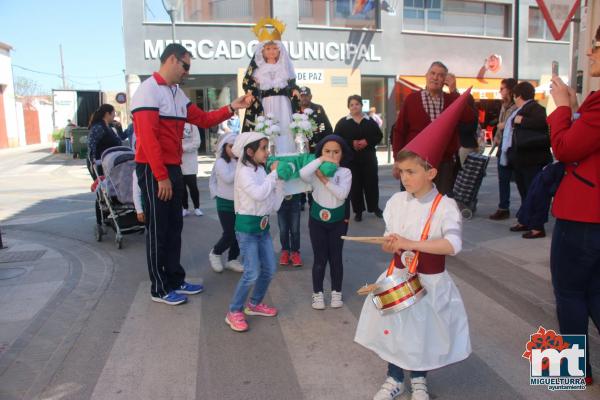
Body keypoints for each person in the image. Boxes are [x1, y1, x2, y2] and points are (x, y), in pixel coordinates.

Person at [355, 91, 472, 400]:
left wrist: (410, 243)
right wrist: (390, 245)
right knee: (394, 330)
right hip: (397, 276)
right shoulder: (395, 202)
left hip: (430, 282)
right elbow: (392, 243)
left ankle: (418, 378)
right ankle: (395, 378)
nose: (403, 177)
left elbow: (453, 245)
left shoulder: (445, 206)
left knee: (421, 334)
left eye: (411, 172)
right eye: (401, 171)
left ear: (431, 173)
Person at [131, 43, 253, 306]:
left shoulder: (176, 93)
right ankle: (159, 288)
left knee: (174, 228)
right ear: (172, 60)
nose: (187, 72)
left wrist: (233, 106)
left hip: (173, 168)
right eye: (185, 66)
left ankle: (175, 279)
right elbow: (148, 140)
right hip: (154, 169)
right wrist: (161, 175)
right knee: (158, 231)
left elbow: (204, 119)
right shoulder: (147, 92)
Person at [547, 25, 600, 386]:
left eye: (596, 46)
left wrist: (562, 107)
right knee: (593, 290)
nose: (591, 53)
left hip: (582, 214)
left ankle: (571, 373)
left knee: (569, 291)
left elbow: (564, 148)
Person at [225, 132, 284, 332]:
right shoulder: (244, 172)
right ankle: (233, 311)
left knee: (269, 269)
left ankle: (254, 304)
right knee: (252, 272)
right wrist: (274, 175)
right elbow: (259, 194)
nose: (267, 152)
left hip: (263, 228)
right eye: (263, 148)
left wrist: (281, 185)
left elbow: (272, 204)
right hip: (247, 229)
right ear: (250, 151)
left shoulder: (260, 170)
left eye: (267, 148)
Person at [392, 61, 474, 195]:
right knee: (414, 202)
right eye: (433, 73)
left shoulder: (450, 100)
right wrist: (397, 160)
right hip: (414, 160)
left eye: (441, 75)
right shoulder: (412, 99)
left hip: (443, 162)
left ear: (445, 81)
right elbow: (399, 131)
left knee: (440, 201)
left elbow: (469, 118)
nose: (435, 77)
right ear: (426, 76)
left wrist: (454, 91)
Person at [299, 135, 352, 310]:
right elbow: (302, 174)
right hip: (317, 221)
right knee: (319, 258)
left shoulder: (345, 172)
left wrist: (324, 179)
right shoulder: (315, 170)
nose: (331, 155)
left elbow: (341, 194)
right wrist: (320, 160)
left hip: (338, 221)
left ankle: (337, 291)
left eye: (336, 152)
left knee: (336, 258)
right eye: (327, 151)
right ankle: (318, 293)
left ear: (342, 154)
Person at [241, 24, 300, 154]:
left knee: (284, 127)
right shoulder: (257, 68)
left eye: (274, 48)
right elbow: (247, 81)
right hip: (266, 103)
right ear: (262, 51)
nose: (271, 51)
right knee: (268, 127)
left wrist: (295, 90)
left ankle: (286, 152)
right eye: (267, 48)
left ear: (280, 50)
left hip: (283, 103)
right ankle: (268, 152)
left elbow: (292, 83)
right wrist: (250, 92)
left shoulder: (285, 67)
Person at [504, 81, 553, 234]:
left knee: (536, 193)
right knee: (526, 192)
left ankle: (537, 226)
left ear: (518, 95)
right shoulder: (522, 109)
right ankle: (525, 220)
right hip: (522, 159)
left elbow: (542, 123)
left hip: (533, 159)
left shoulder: (535, 108)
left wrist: (522, 121)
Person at [334, 94, 383, 222]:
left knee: (371, 184)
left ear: (361, 105)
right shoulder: (343, 122)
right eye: (352, 105)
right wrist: (351, 143)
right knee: (355, 186)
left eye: (357, 104)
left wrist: (367, 141)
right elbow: (337, 139)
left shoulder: (370, 121)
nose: (354, 107)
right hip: (351, 161)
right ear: (348, 107)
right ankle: (358, 211)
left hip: (369, 159)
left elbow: (378, 136)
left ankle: (375, 208)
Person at [208, 133, 243, 273]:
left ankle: (232, 259)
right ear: (224, 147)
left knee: (239, 233)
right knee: (229, 233)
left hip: (239, 202)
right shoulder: (221, 162)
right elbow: (228, 179)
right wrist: (241, 165)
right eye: (230, 146)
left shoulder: (238, 161)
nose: (233, 149)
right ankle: (215, 253)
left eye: (236, 146)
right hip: (225, 203)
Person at [489, 78, 518, 220]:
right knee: (503, 178)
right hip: (502, 145)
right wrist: (496, 137)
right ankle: (503, 207)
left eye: (502, 89)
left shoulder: (516, 106)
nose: (500, 91)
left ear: (510, 90)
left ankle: (523, 207)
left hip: (513, 146)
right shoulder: (504, 105)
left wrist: (504, 125)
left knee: (519, 179)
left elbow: (514, 124)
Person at [88, 104, 127, 174]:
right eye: (113, 113)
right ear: (107, 114)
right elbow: (91, 145)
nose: (114, 116)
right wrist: (92, 162)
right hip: (101, 164)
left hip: (110, 164)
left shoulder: (108, 126)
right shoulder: (98, 127)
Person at [181, 122, 203, 217]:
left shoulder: (193, 125)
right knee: (181, 188)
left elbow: (197, 143)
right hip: (179, 161)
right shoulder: (176, 123)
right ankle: (185, 208)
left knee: (193, 187)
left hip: (190, 162)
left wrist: (182, 148)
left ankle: (197, 207)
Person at [457, 94, 480, 166]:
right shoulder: (474, 111)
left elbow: (470, 127)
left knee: (466, 168)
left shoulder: (470, 113)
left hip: (466, 145)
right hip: (471, 143)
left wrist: (457, 125)